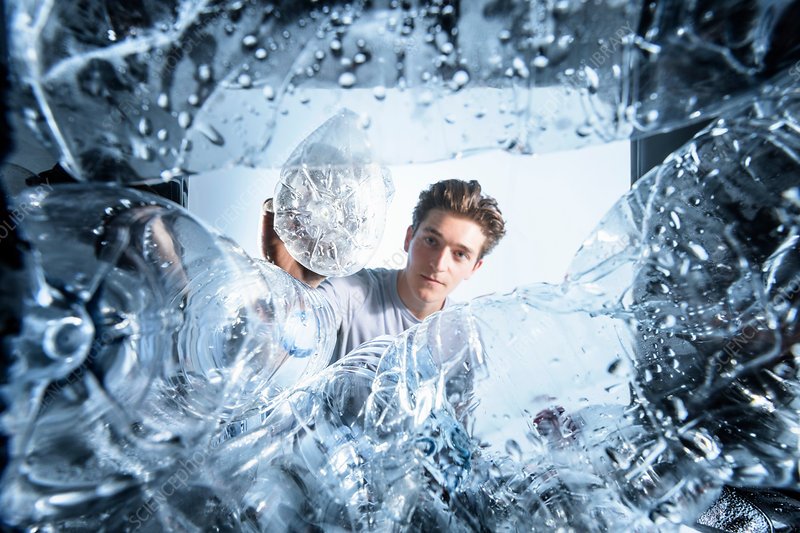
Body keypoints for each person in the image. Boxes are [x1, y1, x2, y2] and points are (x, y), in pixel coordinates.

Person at [262, 179, 506, 364]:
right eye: (432, 241)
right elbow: (283, 348)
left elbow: (460, 425)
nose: (439, 264)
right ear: (409, 238)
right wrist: (289, 290)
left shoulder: (463, 343)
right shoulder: (351, 291)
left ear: (474, 268)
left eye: (460, 254)